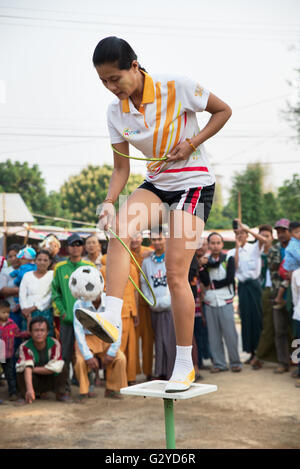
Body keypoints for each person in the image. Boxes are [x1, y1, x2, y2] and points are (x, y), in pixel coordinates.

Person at [76, 36, 232, 392]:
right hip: (157, 184)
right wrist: (108, 201)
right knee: (118, 228)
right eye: (103, 81)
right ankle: (111, 319)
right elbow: (120, 169)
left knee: (177, 273)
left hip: (194, 185)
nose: (110, 87)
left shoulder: (178, 86)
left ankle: (183, 365)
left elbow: (224, 110)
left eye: (114, 78)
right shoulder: (115, 112)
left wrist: (191, 143)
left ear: (134, 66)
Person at [52, 233, 94, 393]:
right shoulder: (60, 268)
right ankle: (64, 389)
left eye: (78, 244)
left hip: (85, 320)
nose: (75, 247)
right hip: (67, 320)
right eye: (72, 244)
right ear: (67, 247)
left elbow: (95, 291)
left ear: (82, 247)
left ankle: (87, 387)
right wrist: (62, 312)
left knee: (85, 353)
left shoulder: (89, 267)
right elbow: (55, 293)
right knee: (66, 355)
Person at [73, 286, 127, 400]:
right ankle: (85, 391)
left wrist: (111, 352)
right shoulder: (79, 304)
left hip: (106, 337)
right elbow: (78, 331)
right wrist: (87, 356)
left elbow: (118, 328)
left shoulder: (110, 303)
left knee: (120, 358)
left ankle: (112, 389)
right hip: (87, 339)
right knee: (80, 361)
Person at [199, 232, 242, 373]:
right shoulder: (205, 260)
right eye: (212, 243)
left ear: (222, 244)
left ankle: (235, 362)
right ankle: (219, 364)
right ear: (208, 245)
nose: (215, 246)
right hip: (211, 301)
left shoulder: (228, 258)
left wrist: (213, 285)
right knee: (213, 334)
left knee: (230, 333)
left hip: (225, 300)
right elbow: (204, 281)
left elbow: (230, 278)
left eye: (218, 243)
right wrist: (201, 267)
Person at [227, 220, 267, 364]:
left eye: (242, 233)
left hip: (254, 286)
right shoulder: (232, 252)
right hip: (243, 287)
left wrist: (247, 229)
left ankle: (259, 353)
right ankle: (251, 352)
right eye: (237, 233)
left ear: (246, 234)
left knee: (257, 318)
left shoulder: (254, 247)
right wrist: (237, 248)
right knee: (246, 319)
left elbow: (265, 240)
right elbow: (235, 267)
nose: (240, 236)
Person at [140, 227, 176, 380]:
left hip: (170, 307)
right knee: (159, 340)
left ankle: (172, 371)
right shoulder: (147, 262)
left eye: (160, 239)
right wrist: (151, 301)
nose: (157, 242)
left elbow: (176, 281)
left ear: (166, 239)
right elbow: (144, 282)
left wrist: (168, 301)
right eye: (154, 239)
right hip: (154, 307)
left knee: (170, 340)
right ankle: (161, 370)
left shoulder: (173, 257)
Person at [101, 254, 138, 385]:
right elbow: (103, 292)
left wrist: (136, 311)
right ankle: (114, 382)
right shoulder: (105, 269)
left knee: (130, 348)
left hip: (128, 311)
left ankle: (130, 378)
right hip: (117, 313)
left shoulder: (131, 268)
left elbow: (135, 291)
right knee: (116, 349)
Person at [16, 316, 69, 403]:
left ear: (47, 332)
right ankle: (26, 394)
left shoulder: (54, 343)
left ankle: (60, 393)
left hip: (50, 379)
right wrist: (30, 389)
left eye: (42, 330)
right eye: (36, 330)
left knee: (62, 366)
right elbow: (25, 366)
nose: (39, 333)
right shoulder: (25, 346)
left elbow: (55, 367)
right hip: (34, 380)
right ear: (30, 332)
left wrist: (32, 369)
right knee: (21, 370)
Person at [251, 225, 278, 369]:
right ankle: (258, 356)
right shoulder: (256, 252)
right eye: (261, 236)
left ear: (272, 238)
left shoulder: (278, 250)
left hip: (280, 290)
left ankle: (287, 359)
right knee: (267, 325)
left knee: (283, 326)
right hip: (264, 291)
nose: (264, 239)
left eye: (267, 236)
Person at [267, 219, 292, 374]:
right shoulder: (274, 250)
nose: (281, 234)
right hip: (278, 296)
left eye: (284, 230)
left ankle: (296, 361)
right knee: (279, 331)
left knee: (296, 331)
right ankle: (283, 362)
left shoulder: (297, 248)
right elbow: (273, 272)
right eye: (278, 231)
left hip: (295, 296)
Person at [129, 232, 154, 380]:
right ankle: (131, 373)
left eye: (137, 236)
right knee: (131, 341)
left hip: (147, 303)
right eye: (131, 236)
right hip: (131, 303)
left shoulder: (149, 252)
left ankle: (148, 371)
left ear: (142, 238)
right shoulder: (124, 251)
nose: (134, 239)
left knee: (148, 340)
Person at [19, 250, 54, 336]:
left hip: (45, 312)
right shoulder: (27, 275)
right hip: (27, 314)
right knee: (28, 340)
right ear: (35, 261)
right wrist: (25, 309)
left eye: (45, 260)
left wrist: (34, 307)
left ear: (50, 262)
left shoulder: (52, 275)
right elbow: (22, 294)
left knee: (44, 339)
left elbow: (51, 295)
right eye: (39, 259)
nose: (42, 262)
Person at [0, 299, 29, 400]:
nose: (6, 315)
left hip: (8, 355)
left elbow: (19, 334)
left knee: (10, 375)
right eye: (3, 312)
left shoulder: (12, 325)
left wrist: (28, 333)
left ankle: (13, 393)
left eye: (8, 312)